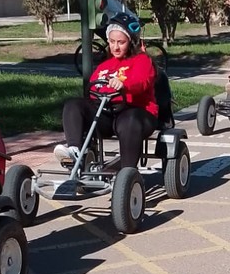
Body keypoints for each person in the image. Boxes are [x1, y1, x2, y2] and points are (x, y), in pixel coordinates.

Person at [55, 16, 158, 171]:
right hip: (108, 114)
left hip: (137, 113)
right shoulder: (105, 65)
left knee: (129, 121)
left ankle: (127, 172)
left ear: (131, 42)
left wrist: (124, 85)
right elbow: (93, 87)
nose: (115, 47)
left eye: (121, 42)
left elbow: (142, 81)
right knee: (73, 105)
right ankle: (75, 151)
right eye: (112, 41)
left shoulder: (142, 60)